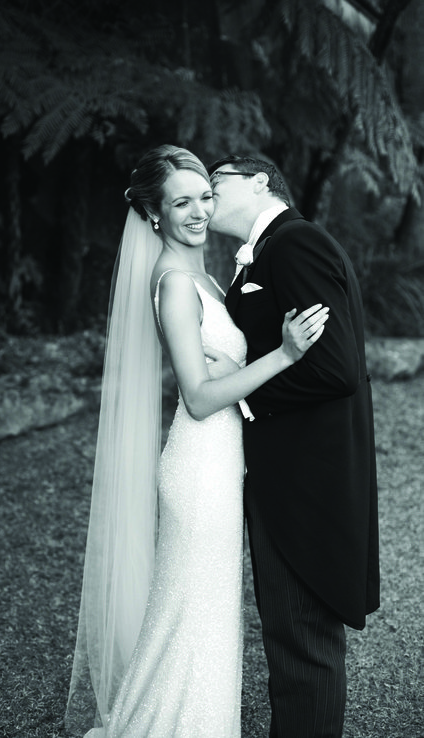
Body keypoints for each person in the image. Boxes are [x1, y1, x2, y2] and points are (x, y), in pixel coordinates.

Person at [64, 145, 328, 738]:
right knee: (195, 618)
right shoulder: (176, 282)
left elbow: (220, 373)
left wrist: (245, 360)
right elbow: (200, 397)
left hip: (219, 466)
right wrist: (285, 355)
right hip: (200, 471)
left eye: (205, 196)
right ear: (155, 214)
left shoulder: (204, 275)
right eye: (181, 202)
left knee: (197, 617)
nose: (199, 211)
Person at [207, 154, 380, 738]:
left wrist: (243, 395)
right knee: (288, 639)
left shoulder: (295, 243)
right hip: (283, 476)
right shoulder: (265, 253)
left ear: (260, 181)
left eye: (216, 182)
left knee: (302, 645)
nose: (206, 196)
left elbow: (336, 369)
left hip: (307, 484)